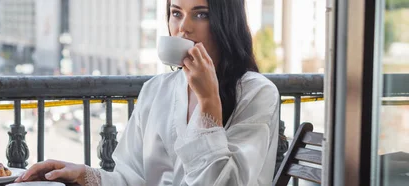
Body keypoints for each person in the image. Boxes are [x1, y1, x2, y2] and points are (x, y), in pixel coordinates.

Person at [15, 0, 279, 185]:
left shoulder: (257, 94)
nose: (183, 27)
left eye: (201, 14)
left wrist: (209, 102)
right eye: (176, 13)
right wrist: (82, 175)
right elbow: (131, 179)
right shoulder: (155, 90)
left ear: (226, 22)